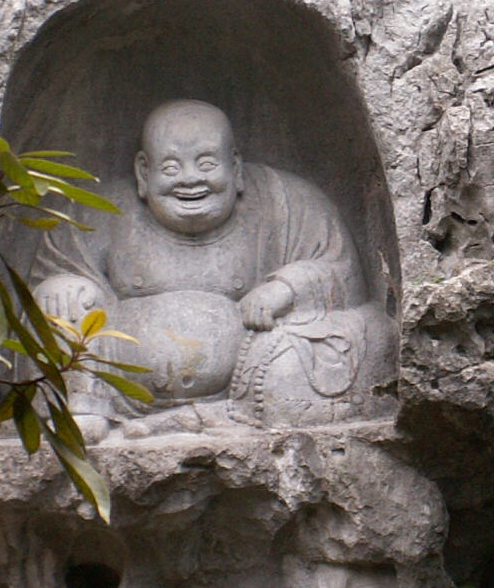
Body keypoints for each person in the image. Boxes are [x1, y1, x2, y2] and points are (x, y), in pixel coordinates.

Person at [34, 99, 394, 439]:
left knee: (339, 339)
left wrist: (287, 287)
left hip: (249, 380)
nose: (190, 180)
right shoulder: (98, 212)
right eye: (171, 168)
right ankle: (83, 408)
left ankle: (214, 416)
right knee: (61, 299)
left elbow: (343, 274)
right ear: (143, 172)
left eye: (206, 164)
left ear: (235, 167)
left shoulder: (287, 203)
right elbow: (53, 272)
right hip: (119, 388)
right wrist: (60, 286)